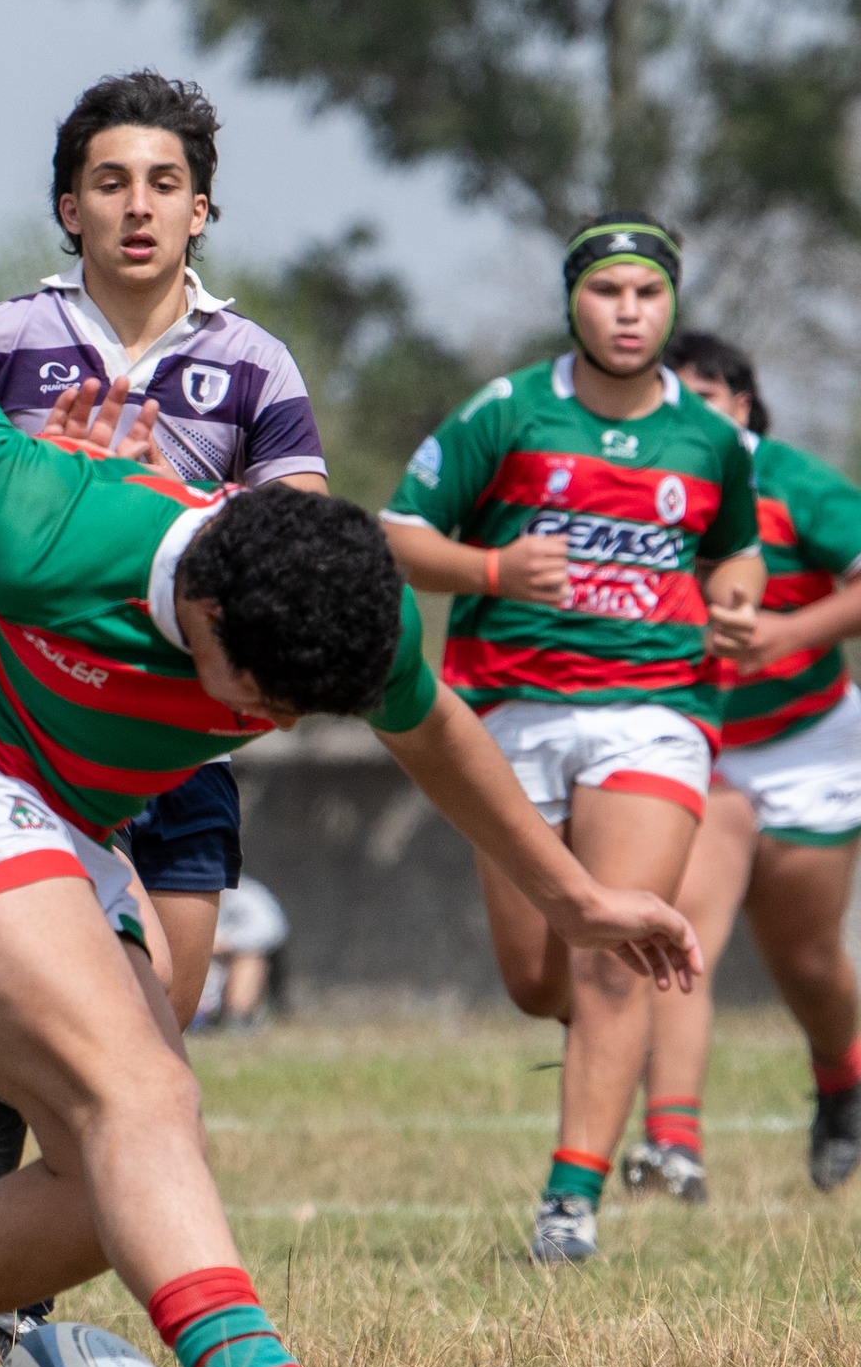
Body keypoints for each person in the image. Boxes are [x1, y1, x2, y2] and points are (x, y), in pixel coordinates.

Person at [0, 323, 703, 1367]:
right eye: (251, 695)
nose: (264, 720)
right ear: (197, 600)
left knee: (124, 1173)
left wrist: (573, 894)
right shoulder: (42, 520)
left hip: (59, 825)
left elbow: (437, 732)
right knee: (135, 1097)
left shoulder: (333, 608)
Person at [0, 70, 328, 1367]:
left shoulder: (251, 365)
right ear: (69, 205)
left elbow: (291, 543)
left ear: (202, 210)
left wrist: (156, 512)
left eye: (164, 185)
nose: (137, 206)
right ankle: (11, 1309)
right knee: (97, 1063)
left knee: (155, 1030)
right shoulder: (0, 337)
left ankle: (1, 1159)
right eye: (111, 182)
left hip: (170, 739)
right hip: (18, 739)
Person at [381, 215, 763, 1265]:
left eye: (646, 293)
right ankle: (596, 1058)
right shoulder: (506, 413)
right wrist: (494, 573)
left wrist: (732, 604)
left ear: (670, 304)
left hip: (654, 709)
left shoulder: (713, 440)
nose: (627, 312)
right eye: (606, 292)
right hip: (508, 708)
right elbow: (393, 534)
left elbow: (735, 554)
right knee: (535, 977)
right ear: (573, 303)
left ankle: (567, 1200)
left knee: (610, 956)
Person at [624, 333, 861, 1200]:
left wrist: (786, 635)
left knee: (807, 963)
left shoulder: (793, 484)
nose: (690, 413)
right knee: (684, 928)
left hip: (808, 740)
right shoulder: (640, 490)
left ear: (745, 407)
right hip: (699, 743)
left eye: (710, 397)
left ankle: (843, 1081)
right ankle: (672, 1144)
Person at [197, 876, 290, 1028]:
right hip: (199, 966)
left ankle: (237, 1020)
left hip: (228, 967)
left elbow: (272, 930)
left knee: (250, 960)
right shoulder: (181, 893)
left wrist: (224, 944)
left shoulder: (247, 895)